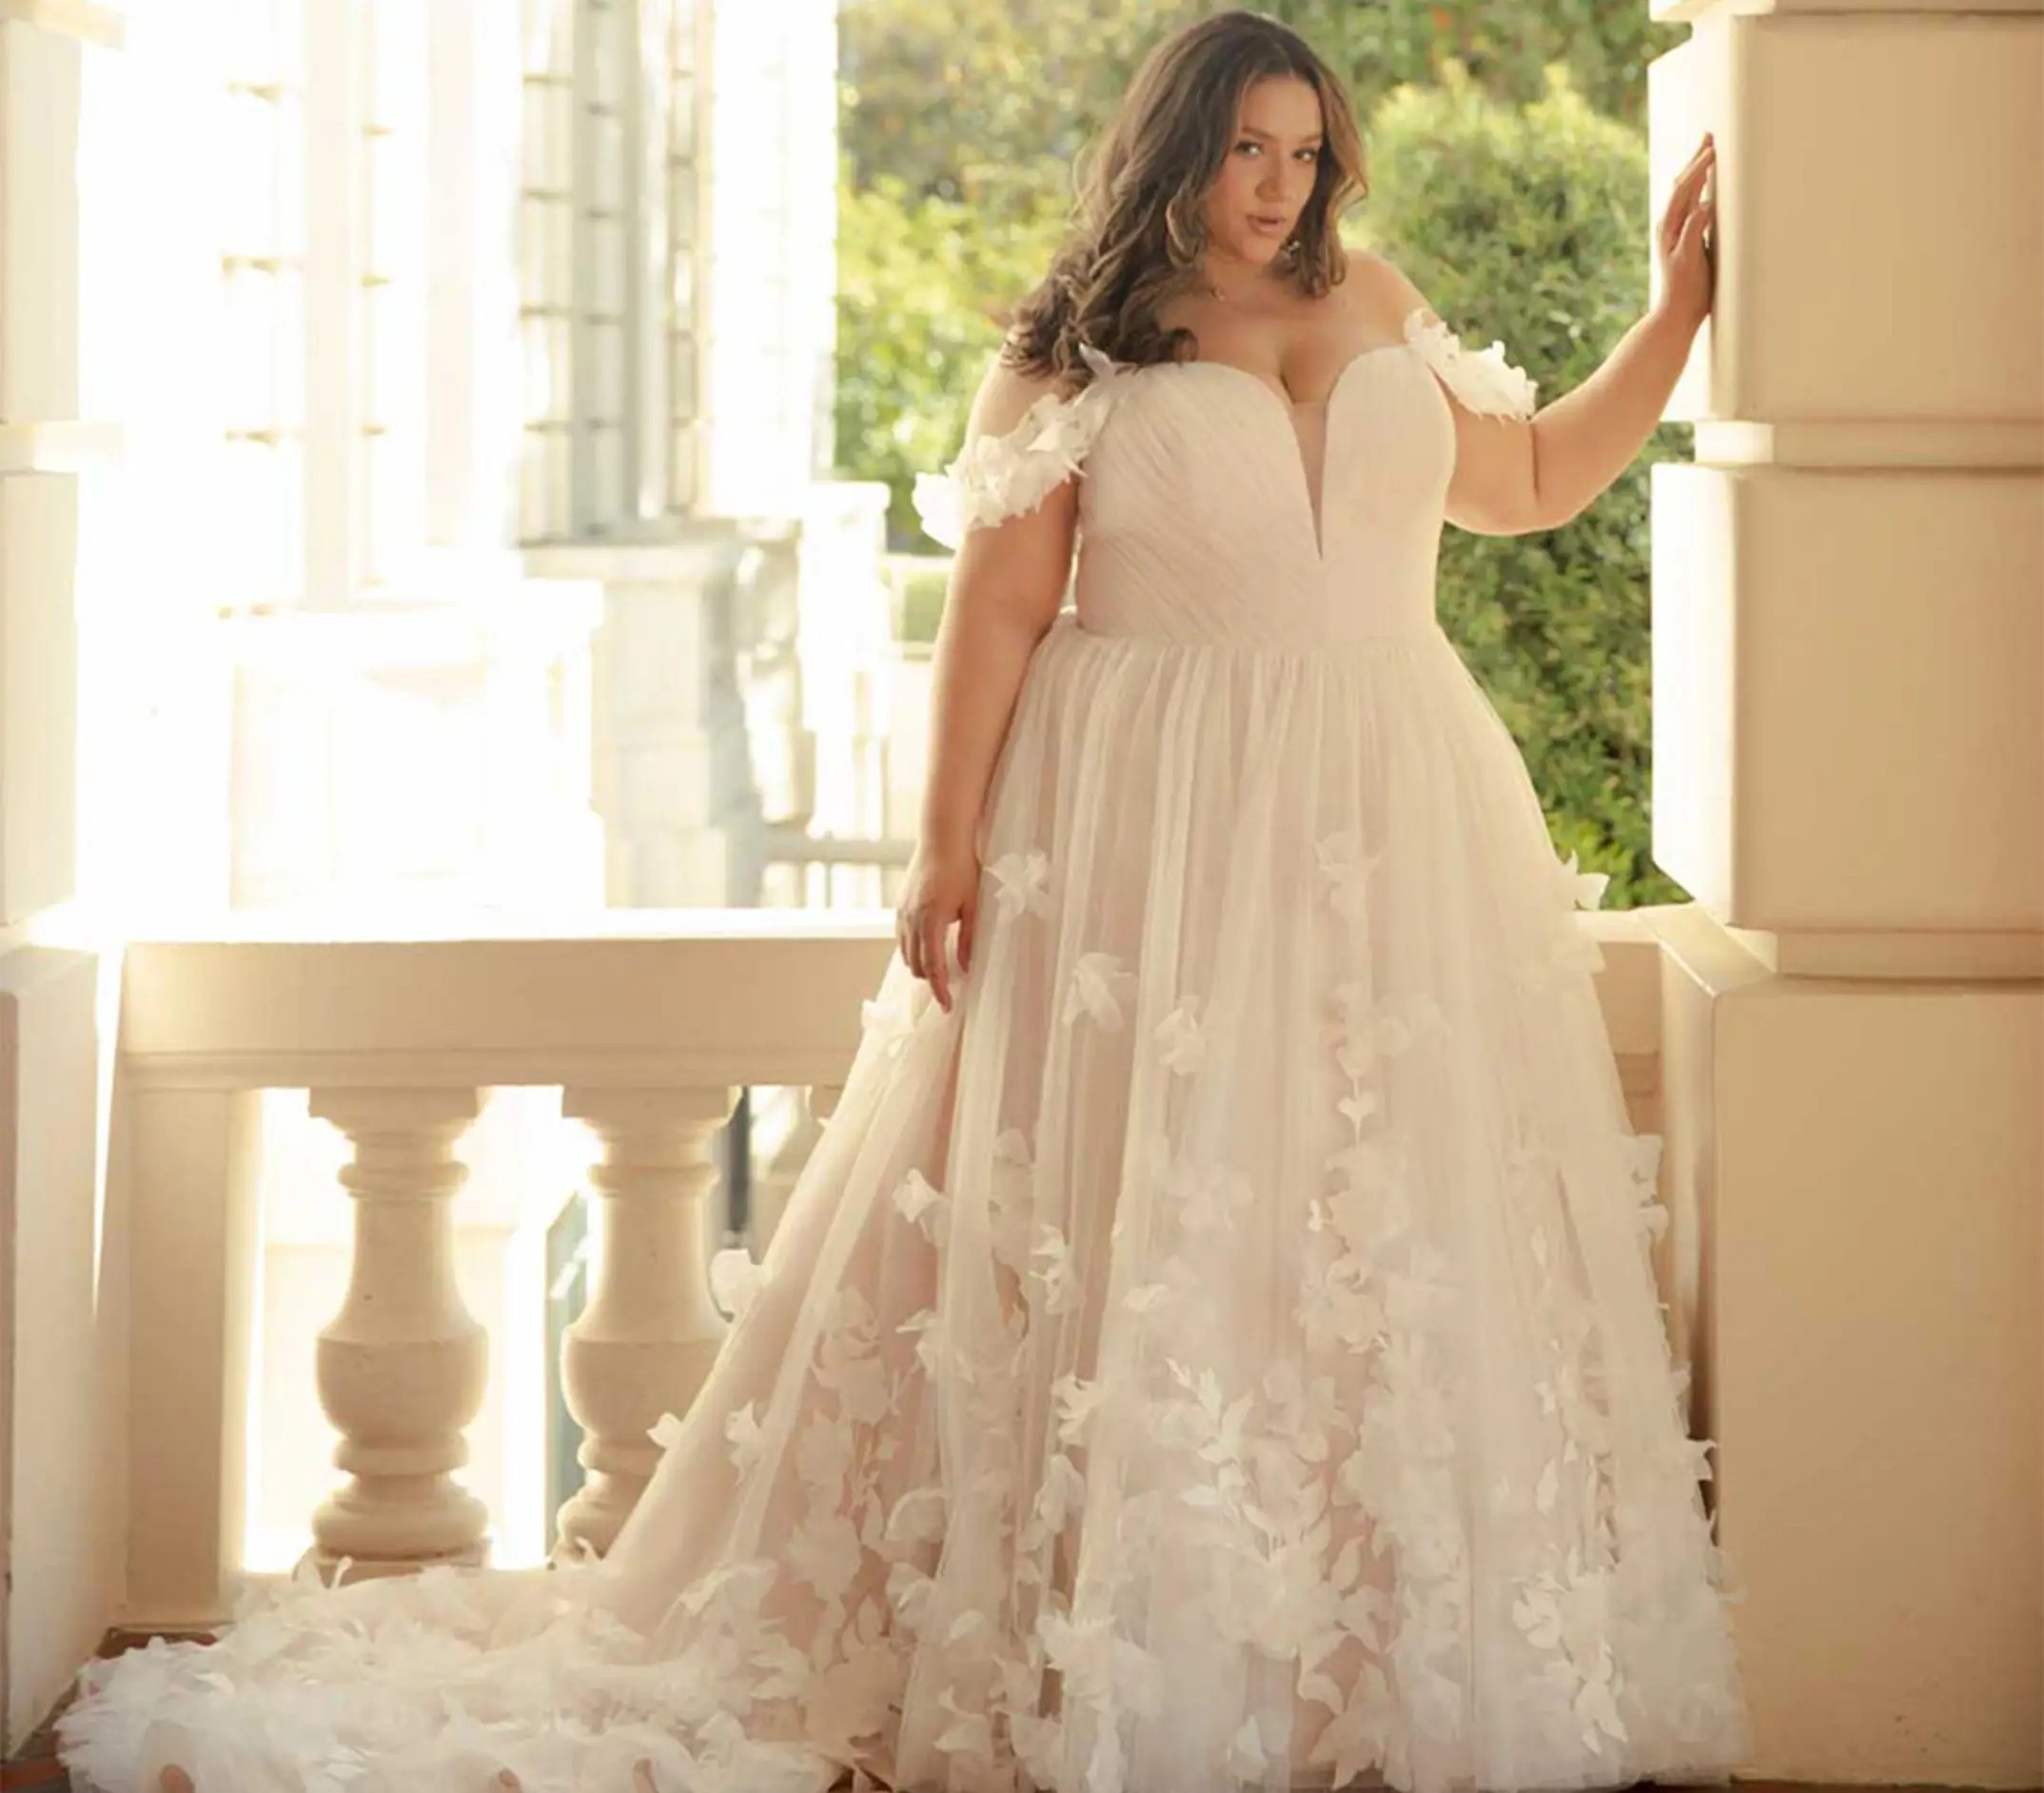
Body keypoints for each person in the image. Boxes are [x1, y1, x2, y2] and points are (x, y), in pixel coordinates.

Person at [58, 10, 1744, 1793]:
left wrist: (1678, 315)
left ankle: (1331, 1652)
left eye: (1306, 150)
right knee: (1149, 1202)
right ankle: (1124, 1637)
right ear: (1177, 148)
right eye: (1248, 149)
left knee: (1357, 1203)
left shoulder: (1381, 298)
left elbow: (1542, 477)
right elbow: (1005, 614)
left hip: (1391, 817)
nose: (1280, 187)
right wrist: (945, 847)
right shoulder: (1082, 336)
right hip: (1145, 826)